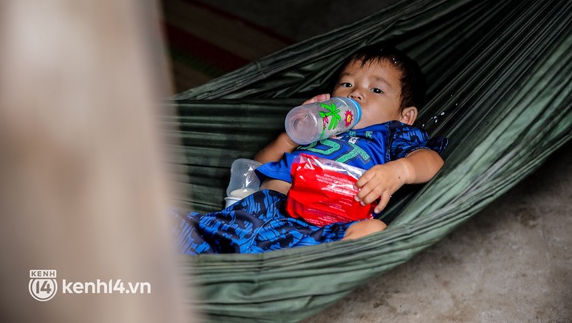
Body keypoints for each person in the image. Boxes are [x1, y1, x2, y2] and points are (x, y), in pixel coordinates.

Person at [172, 44, 447, 254]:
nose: (356, 94)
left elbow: (432, 160)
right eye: (347, 84)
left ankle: (304, 274)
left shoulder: (392, 134)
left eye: (376, 90)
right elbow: (258, 167)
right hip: (257, 216)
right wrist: (292, 137)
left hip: (319, 230)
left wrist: (399, 171)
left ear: (405, 116)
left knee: (373, 231)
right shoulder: (318, 127)